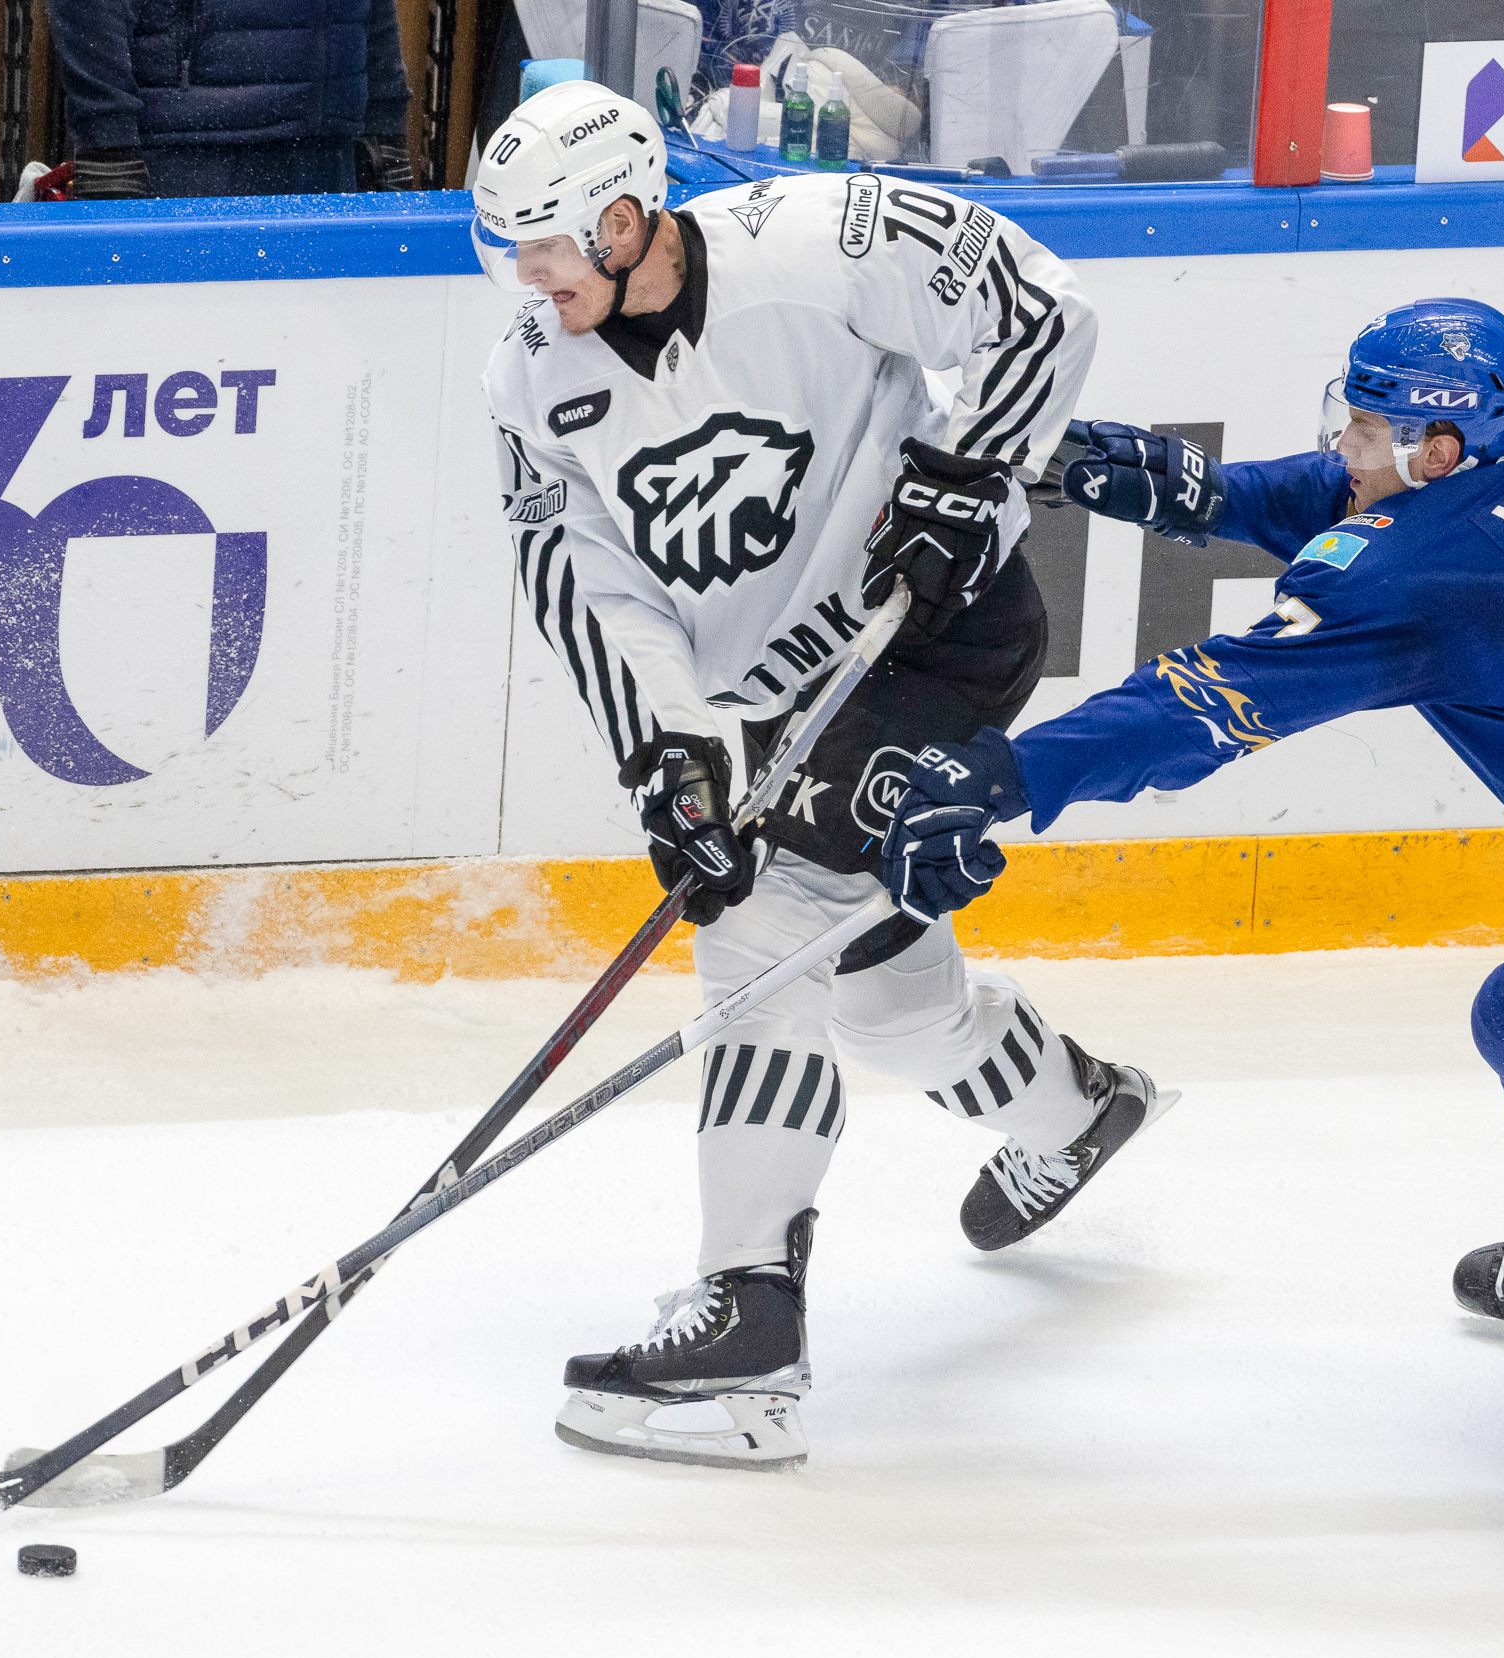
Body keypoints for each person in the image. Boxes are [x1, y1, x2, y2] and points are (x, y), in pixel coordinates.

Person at [884, 297, 1504, 1634]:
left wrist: (1001, 774)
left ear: (1437, 443)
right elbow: (1332, 504)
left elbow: (1206, 698)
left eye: (1369, 426)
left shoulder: (1423, 567)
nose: (1345, 443)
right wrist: (1164, 482)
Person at [475, 80, 1171, 1470]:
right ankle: (1078, 1108)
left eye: (546, 249)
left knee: (766, 925)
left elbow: (1040, 310)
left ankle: (750, 1323)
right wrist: (672, 763)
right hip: (765, 701)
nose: (524, 282)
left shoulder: (821, 238)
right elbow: (585, 587)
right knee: (891, 997)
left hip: (933, 640)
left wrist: (968, 472)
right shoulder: (531, 378)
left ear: (624, 219)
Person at [44, 0, 411, 199]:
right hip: (190, 158)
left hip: (327, 153)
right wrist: (110, 147)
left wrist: (385, 132)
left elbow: (375, 12)